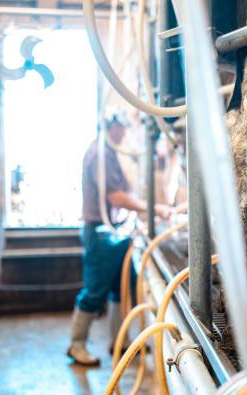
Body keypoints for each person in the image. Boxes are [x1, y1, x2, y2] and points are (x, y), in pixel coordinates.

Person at [68, 117, 172, 366]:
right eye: (123, 127)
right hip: (101, 233)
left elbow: (122, 193)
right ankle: (76, 345)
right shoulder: (99, 154)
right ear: (112, 126)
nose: (125, 133)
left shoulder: (109, 153)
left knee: (121, 289)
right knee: (94, 291)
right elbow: (116, 197)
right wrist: (154, 208)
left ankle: (120, 342)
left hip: (115, 232)